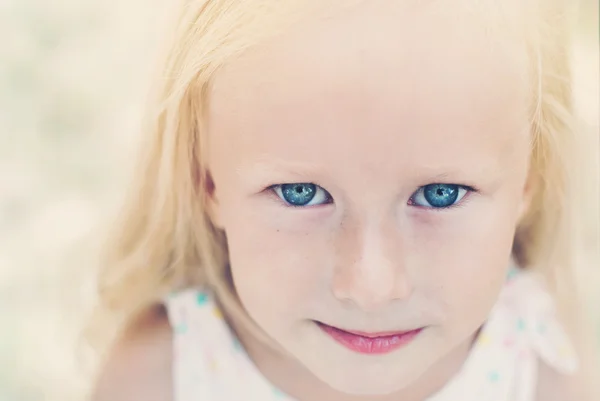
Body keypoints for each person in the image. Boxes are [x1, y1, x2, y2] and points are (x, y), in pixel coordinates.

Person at [89, 0, 598, 400]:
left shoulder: (543, 375)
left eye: (439, 196)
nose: (371, 287)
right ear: (208, 183)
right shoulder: (162, 378)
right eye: (300, 194)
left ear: (528, 183)